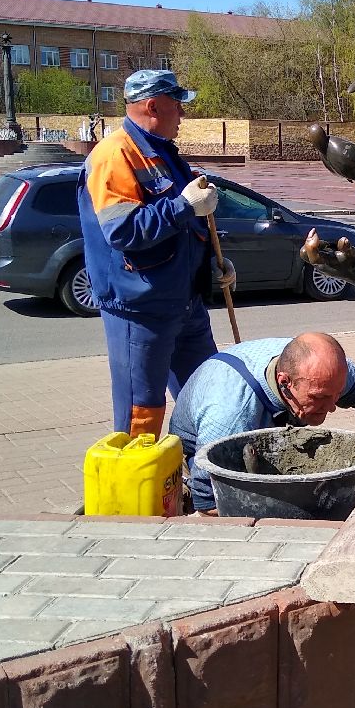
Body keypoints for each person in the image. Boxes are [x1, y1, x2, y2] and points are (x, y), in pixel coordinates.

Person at [78, 69, 234, 437]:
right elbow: (123, 230)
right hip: (141, 310)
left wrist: (213, 263)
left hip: (183, 303)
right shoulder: (114, 156)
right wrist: (183, 205)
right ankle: (136, 490)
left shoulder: (162, 154)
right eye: (177, 105)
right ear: (153, 106)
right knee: (142, 413)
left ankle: (198, 484)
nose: (182, 114)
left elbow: (186, 229)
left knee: (210, 397)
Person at [170, 332, 355, 514]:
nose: (332, 407)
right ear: (285, 382)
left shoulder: (328, 374)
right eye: (320, 398)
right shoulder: (232, 412)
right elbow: (208, 503)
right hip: (198, 460)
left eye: (337, 396)